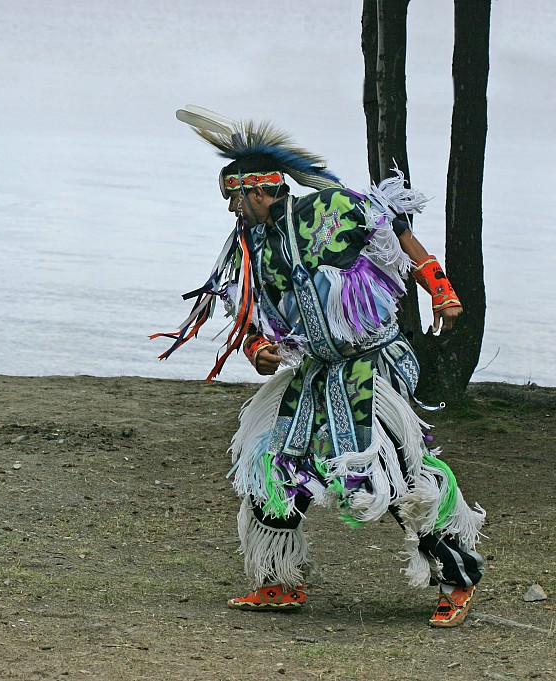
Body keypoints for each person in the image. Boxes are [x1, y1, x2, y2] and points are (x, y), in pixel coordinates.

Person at [155, 107, 485, 627]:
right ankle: (280, 580)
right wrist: (258, 348)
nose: (232, 209)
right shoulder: (253, 245)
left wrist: (440, 290)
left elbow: (393, 224)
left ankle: (455, 578)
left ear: (258, 191)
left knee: (394, 474)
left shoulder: (329, 208)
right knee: (275, 467)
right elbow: (251, 310)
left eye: (234, 198)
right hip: (313, 370)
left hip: (370, 365)